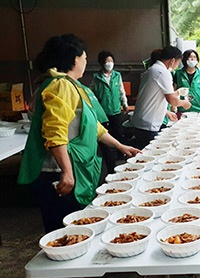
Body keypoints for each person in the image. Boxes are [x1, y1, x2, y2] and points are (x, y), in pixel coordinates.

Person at [17, 34, 140, 233]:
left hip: (72, 167)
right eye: (84, 57)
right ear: (74, 59)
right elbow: (54, 131)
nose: (85, 61)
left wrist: (121, 146)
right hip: (58, 173)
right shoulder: (60, 86)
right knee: (65, 230)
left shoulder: (74, 86)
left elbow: (93, 127)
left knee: (78, 225)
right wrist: (66, 171)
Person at [130, 46, 191, 149]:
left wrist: (166, 112)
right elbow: (171, 99)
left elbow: (153, 97)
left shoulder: (152, 70)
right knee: (150, 156)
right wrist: (184, 103)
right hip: (148, 125)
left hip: (141, 122)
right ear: (172, 61)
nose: (176, 66)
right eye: (177, 63)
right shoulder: (163, 72)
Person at [90, 50, 129, 173]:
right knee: (107, 139)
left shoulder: (117, 75)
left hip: (116, 110)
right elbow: (92, 93)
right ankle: (110, 166)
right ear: (102, 63)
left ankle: (123, 160)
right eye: (107, 61)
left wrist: (125, 103)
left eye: (111, 61)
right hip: (103, 113)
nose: (109, 64)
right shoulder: (96, 77)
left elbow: (122, 90)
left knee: (119, 134)